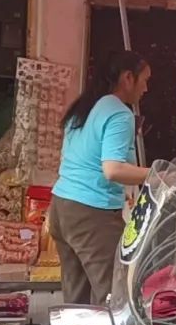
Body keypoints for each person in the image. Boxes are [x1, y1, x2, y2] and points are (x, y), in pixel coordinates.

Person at [50, 50, 151, 305]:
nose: (146, 88)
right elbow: (113, 170)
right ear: (128, 78)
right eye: (145, 80)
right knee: (112, 296)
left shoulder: (85, 106)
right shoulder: (119, 113)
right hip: (91, 214)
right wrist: (157, 174)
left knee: (77, 297)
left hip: (61, 208)